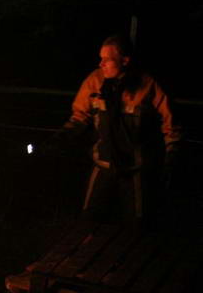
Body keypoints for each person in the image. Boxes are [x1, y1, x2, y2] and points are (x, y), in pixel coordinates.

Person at [49, 34, 181, 232]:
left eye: (107, 59)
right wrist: (59, 138)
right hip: (103, 164)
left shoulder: (147, 85)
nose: (101, 64)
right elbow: (80, 116)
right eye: (100, 58)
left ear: (125, 60)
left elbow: (171, 124)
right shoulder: (95, 81)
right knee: (89, 220)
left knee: (137, 226)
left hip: (135, 169)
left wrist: (171, 156)